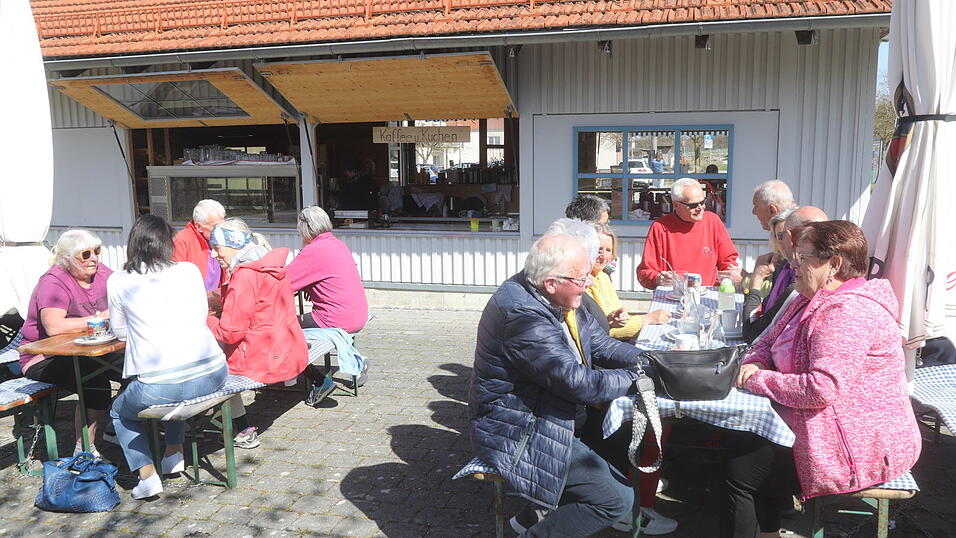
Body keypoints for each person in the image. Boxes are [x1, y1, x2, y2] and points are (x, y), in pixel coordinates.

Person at [726, 221, 922, 538]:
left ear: (833, 264)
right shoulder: (808, 297)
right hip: (819, 425)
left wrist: (757, 379)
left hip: (858, 446)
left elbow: (822, 388)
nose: (793, 264)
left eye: (803, 257)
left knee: (742, 472)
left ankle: (766, 527)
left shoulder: (850, 311)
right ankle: (769, 530)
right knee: (742, 441)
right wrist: (756, 360)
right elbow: (764, 340)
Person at [469, 221, 647, 537]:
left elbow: (602, 344)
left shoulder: (556, 295)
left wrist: (648, 360)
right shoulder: (523, 315)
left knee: (621, 442)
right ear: (552, 282)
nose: (590, 283)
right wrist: (637, 376)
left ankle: (530, 517)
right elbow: (579, 383)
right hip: (517, 429)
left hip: (551, 414)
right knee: (616, 500)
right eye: (582, 278)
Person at [107, 215, 227, 499]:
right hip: (214, 372)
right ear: (167, 243)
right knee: (174, 383)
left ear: (133, 243)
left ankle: (146, 475)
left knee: (120, 412)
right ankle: (173, 453)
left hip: (161, 384)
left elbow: (120, 332)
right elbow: (201, 315)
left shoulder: (119, 280)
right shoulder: (187, 271)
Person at [206, 218, 309, 449]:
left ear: (233, 245)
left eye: (217, 247)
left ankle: (237, 427)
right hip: (286, 350)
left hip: (262, 358)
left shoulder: (245, 274)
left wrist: (205, 319)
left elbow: (230, 332)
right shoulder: (271, 265)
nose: (213, 254)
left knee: (212, 363)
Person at [18, 229, 119, 458]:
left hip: (88, 350)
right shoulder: (54, 282)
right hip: (43, 356)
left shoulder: (101, 272)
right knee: (96, 383)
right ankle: (84, 450)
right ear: (66, 259)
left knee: (134, 369)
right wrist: (99, 317)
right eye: (85, 254)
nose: (93, 257)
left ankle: (116, 428)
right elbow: (53, 326)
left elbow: (123, 291)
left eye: (96, 251)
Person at [636, 178, 740, 289]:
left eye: (702, 202)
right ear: (676, 205)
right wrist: (658, 278)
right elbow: (644, 272)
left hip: (708, 294)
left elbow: (728, 260)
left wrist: (732, 273)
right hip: (673, 296)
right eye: (693, 205)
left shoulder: (713, 221)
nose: (700, 208)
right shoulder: (660, 227)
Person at [743, 206, 828, 343]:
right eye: (779, 236)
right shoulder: (782, 268)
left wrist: (756, 280)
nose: (784, 243)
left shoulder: (799, 284)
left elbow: (753, 335)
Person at [588, 223, 670, 340]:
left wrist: (621, 317)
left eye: (608, 250)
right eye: (599, 249)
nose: (604, 256)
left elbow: (618, 318)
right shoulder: (583, 283)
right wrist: (648, 319)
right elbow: (607, 332)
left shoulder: (603, 277)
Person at [173, 199, 226, 294]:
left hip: (218, 300)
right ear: (199, 226)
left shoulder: (223, 237)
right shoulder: (182, 240)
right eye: (216, 226)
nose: (221, 229)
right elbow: (175, 279)